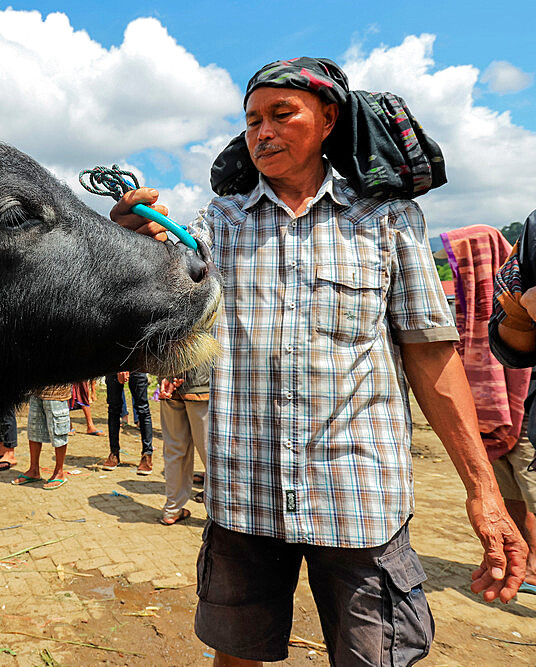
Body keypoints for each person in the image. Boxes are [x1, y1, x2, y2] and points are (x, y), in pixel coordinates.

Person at [112, 57, 526, 665]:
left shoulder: (387, 219)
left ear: (328, 118)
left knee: (375, 658)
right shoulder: (217, 225)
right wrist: (132, 244)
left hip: (361, 501)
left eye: (282, 114)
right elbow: (160, 312)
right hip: (243, 498)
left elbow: (432, 356)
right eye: (252, 120)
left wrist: (483, 493)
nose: (263, 132)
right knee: (237, 655)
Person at [486, 208, 536, 586]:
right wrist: (517, 317)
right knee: (511, 484)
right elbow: (512, 347)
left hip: (514, 406)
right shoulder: (535, 232)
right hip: (497, 413)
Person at [157, 362, 210, 525]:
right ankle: (219, 511)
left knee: (174, 448)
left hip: (168, 382)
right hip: (200, 384)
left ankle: (172, 510)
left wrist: (170, 376)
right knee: (209, 450)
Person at [12, 384, 71, 490]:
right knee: (33, 430)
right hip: (36, 390)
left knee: (58, 430)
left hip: (57, 391)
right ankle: (34, 470)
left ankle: (59, 472)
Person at [103, 371, 153, 474]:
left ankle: (147, 454)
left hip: (136, 363)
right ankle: (114, 452)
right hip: (114, 364)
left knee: (142, 409)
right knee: (113, 409)